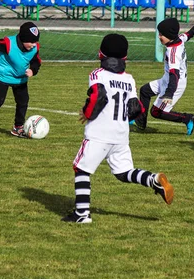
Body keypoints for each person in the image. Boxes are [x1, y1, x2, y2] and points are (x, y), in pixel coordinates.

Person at [63, 33, 174, 224]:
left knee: (81, 169)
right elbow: (135, 107)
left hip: (99, 133)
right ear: (125, 57)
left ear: (101, 53)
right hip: (121, 134)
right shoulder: (129, 79)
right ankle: (153, 180)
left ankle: (82, 214)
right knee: (123, 173)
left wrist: (86, 112)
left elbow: (98, 96)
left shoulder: (97, 74)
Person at [132, 17, 194, 135]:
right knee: (145, 91)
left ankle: (187, 118)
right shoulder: (178, 39)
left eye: (162, 34)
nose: (159, 36)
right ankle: (140, 121)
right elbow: (188, 35)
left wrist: (169, 93)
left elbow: (174, 74)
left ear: (169, 35)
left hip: (175, 84)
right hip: (166, 80)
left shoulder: (173, 52)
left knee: (156, 112)